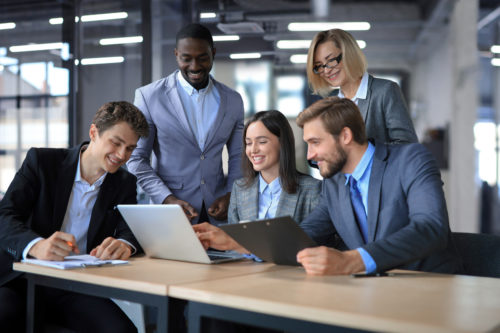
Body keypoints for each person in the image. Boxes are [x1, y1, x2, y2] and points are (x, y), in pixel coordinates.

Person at [0, 101, 149, 332]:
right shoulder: (41, 162)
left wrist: (125, 243)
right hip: (20, 280)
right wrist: (36, 246)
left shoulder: (124, 183)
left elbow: (130, 228)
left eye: (130, 148)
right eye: (116, 143)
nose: (122, 155)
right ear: (94, 133)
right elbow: (4, 216)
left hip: (74, 286)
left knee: (121, 330)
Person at [295, 97, 461, 275]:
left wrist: (352, 261)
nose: (309, 155)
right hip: (372, 291)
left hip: (429, 286)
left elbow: (431, 227)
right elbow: (309, 232)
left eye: (315, 142)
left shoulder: (410, 160)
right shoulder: (334, 183)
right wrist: (266, 245)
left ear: (345, 136)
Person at [127, 23, 244, 224]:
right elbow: (136, 159)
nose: (195, 66)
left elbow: (238, 156)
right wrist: (166, 198)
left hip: (219, 213)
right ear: (176, 55)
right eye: (186, 59)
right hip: (169, 215)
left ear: (213, 53)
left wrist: (231, 193)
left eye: (203, 58)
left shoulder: (233, 100)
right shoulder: (148, 97)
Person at [194, 110, 321, 253]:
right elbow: (231, 249)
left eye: (262, 142)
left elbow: (316, 246)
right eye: (248, 143)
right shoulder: (240, 189)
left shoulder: (312, 189)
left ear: (282, 143)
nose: (253, 150)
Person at [307, 29, 418, 144]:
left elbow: (407, 145)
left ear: (349, 54)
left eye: (331, 60)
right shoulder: (330, 104)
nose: (326, 70)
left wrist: (365, 154)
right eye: (319, 66)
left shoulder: (385, 91)